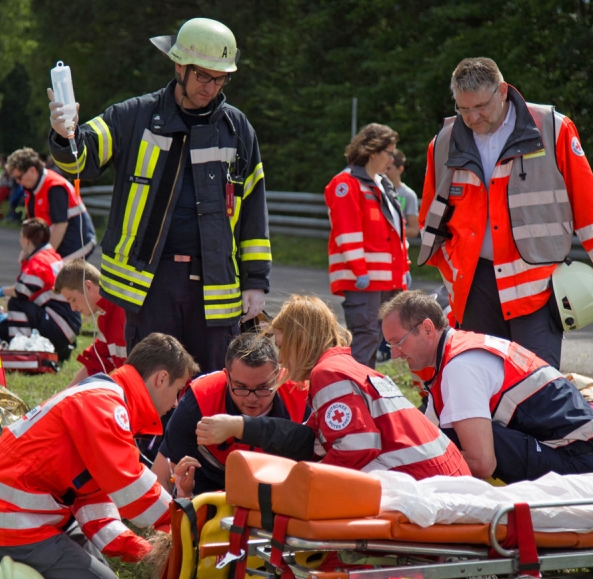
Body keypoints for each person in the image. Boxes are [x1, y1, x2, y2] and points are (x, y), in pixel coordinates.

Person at [47, 17, 271, 374]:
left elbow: (254, 209)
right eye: (203, 76)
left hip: (214, 285)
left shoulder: (236, 128)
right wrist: (65, 134)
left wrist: (256, 281)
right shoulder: (132, 116)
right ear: (179, 65)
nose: (211, 87)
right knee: (153, 384)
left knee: (209, 385)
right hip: (148, 283)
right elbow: (82, 159)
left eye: (221, 78)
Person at [0, 333, 199, 579]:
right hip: (12, 526)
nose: (175, 404)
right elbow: (134, 493)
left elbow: (94, 507)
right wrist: (190, 526)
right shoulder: (105, 406)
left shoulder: (102, 397)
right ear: (161, 379)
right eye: (178, 391)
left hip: (9, 520)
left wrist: (146, 552)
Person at [417, 57, 593, 370]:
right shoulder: (444, 142)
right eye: (464, 108)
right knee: (481, 382)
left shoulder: (551, 127)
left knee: (536, 384)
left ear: (502, 91)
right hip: (474, 285)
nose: (472, 117)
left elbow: (585, 195)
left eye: (481, 107)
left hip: (536, 282)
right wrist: (450, 268)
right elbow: (431, 215)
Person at [197, 295, 470, 480]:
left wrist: (306, 484)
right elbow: (309, 442)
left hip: (428, 485)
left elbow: (356, 448)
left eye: (281, 346)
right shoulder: (344, 368)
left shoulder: (328, 374)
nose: (280, 359)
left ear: (300, 340)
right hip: (441, 476)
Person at [380, 290, 593, 483]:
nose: (394, 354)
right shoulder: (455, 356)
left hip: (584, 465)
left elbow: (482, 463)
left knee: (456, 441)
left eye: (397, 342)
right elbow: (426, 438)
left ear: (428, 329)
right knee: (444, 439)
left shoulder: (460, 366)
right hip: (581, 455)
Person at [151, 332, 309, 495]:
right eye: (241, 387)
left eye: (262, 387)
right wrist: (181, 498)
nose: (252, 398)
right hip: (209, 490)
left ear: (277, 376)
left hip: (279, 489)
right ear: (227, 377)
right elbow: (161, 479)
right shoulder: (200, 399)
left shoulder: (300, 393)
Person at [326, 123, 410, 369]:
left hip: (387, 280)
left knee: (379, 339)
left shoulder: (382, 184)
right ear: (372, 152)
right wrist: (360, 271)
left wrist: (403, 270)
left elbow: (395, 231)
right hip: (363, 280)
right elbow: (347, 232)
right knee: (365, 339)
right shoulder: (346, 183)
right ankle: (356, 397)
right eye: (389, 152)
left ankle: (368, 393)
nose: (392, 159)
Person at [0, 219, 81, 360]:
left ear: (27, 241)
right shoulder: (51, 254)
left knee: (15, 304)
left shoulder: (38, 262)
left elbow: (20, 292)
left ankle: (21, 352)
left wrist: (2, 291)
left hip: (60, 325)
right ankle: (60, 350)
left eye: (20, 236)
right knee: (4, 328)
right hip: (66, 324)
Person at [5, 148, 95, 260]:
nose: (18, 182)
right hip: (59, 243)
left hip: (75, 245)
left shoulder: (54, 187)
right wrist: (28, 251)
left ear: (32, 170)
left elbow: (60, 225)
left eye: (19, 177)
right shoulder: (32, 188)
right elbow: (36, 227)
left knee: (55, 275)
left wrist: (45, 257)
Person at [54, 259, 127, 386]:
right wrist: (64, 397)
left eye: (73, 299)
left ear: (88, 286)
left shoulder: (123, 311)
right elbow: (96, 364)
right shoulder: (105, 317)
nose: (73, 308)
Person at [384, 149, 419, 240]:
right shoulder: (377, 189)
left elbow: (414, 230)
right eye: (384, 168)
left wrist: (388, 232)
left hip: (398, 247)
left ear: (400, 169)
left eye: (389, 168)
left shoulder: (408, 194)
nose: (384, 172)